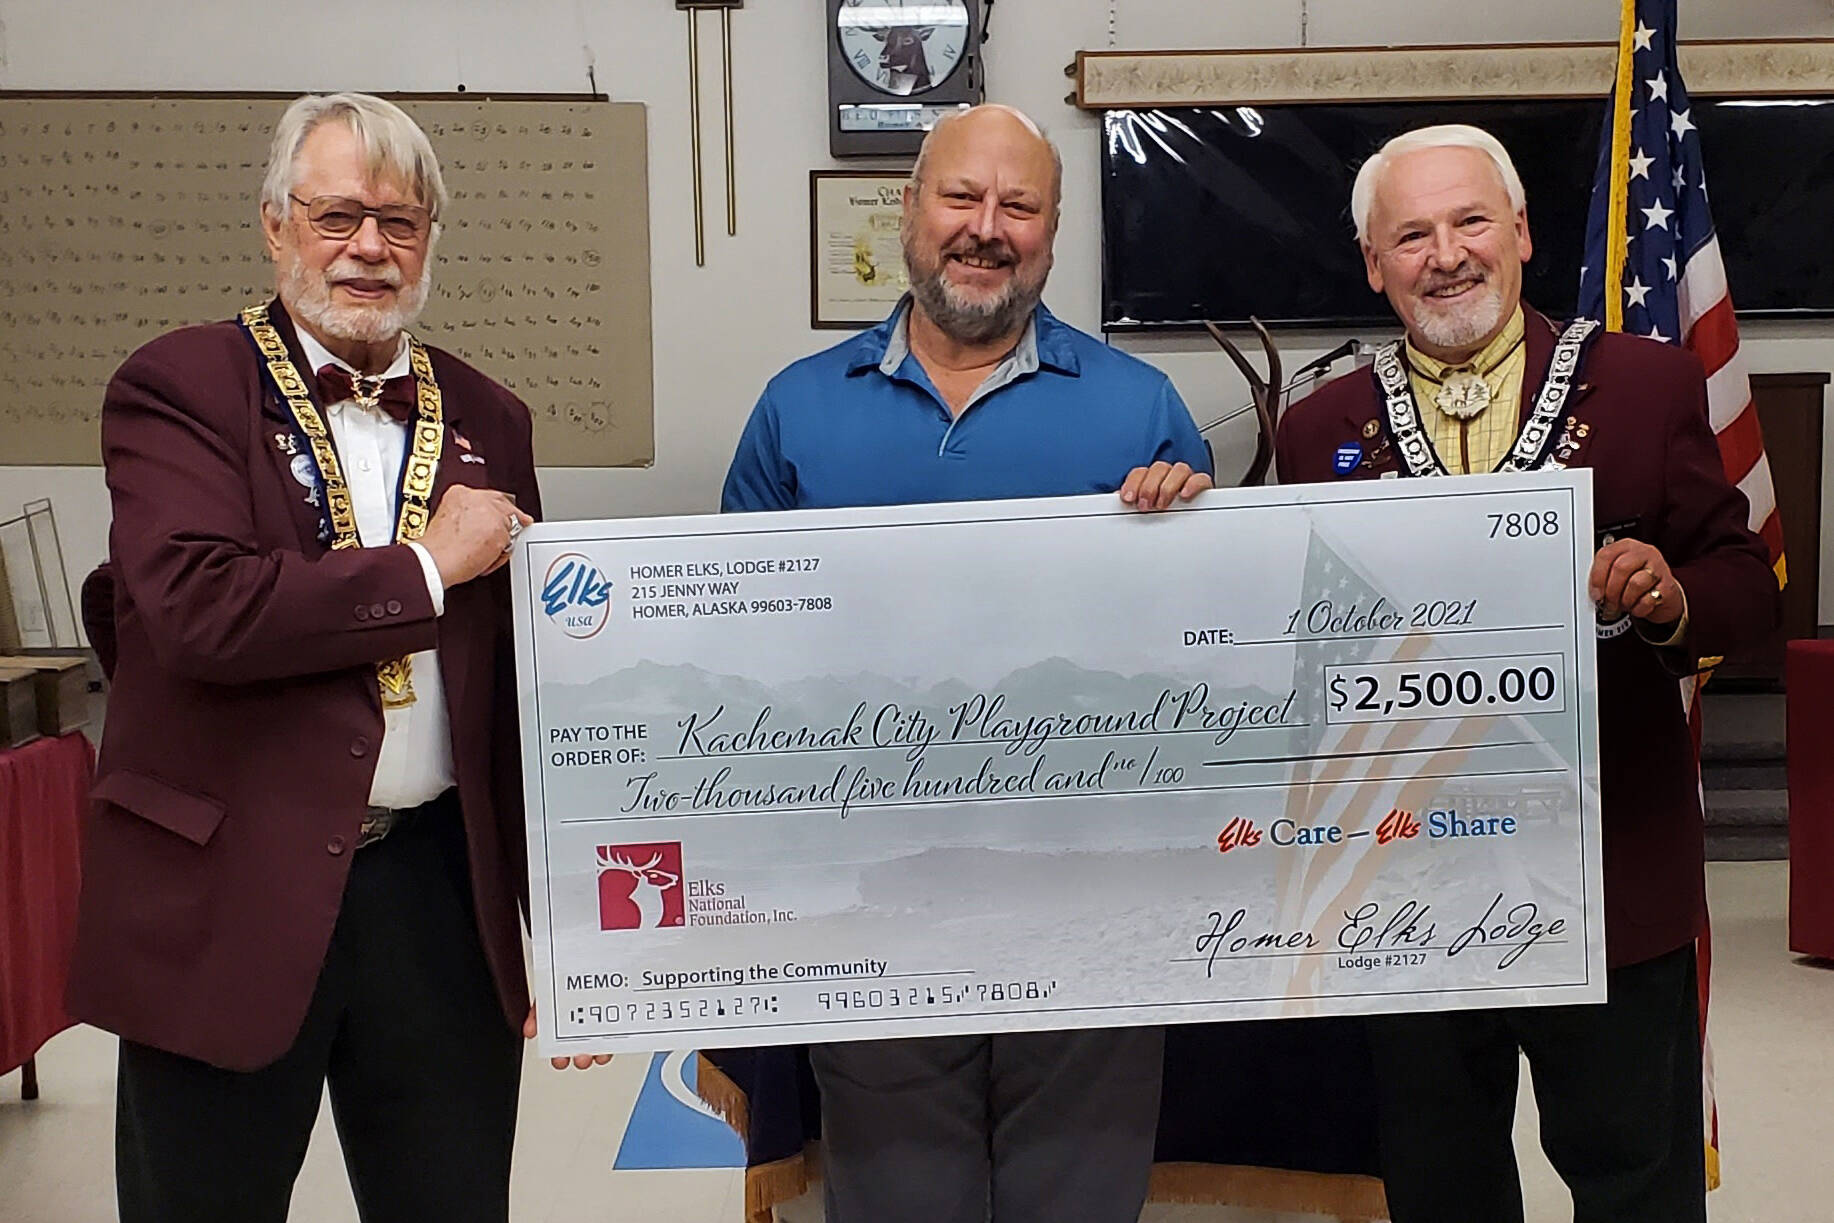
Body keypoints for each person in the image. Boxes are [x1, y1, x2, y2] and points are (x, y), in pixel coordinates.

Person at [1274, 124, 1780, 1223]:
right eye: (1410, 234)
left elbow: (1749, 590)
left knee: (1634, 1177)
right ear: (1372, 264)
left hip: (1609, 868)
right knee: (1438, 1181)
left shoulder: (1646, 385)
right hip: (1407, 891)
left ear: (1519, 234)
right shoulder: (1316, 428)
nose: (1444, 254)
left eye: (1468, 222)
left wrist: (1667, 593)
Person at [68, 92, 555, 1223]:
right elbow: (202, 607)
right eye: (338, 215)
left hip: (434, 892)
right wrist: (428, 571)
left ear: (431, 237)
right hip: (230, 883)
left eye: (400, 220)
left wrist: (563, 929)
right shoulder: (178, 386)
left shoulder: (493, 416)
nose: (369, 248)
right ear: (275, 226)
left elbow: (516, 692)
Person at [721, 104, 1212, 1222]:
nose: (985, 228)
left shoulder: (1140, 406)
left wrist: (1198, 531)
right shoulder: (796, 408)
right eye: (961, 197)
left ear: (1050, 231)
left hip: (1095, 892)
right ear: (908, 210)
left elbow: (1207, 660)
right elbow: (736, 655)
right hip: (873, 890)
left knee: (1074, 1197)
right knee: (900, 1196)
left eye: (1018, 206)